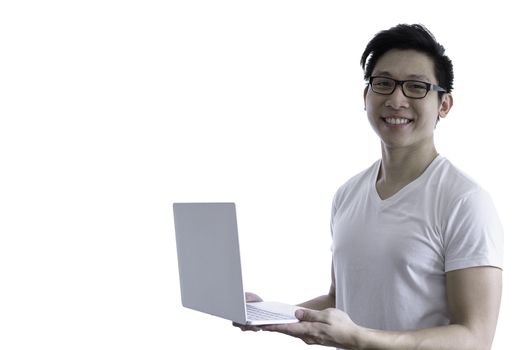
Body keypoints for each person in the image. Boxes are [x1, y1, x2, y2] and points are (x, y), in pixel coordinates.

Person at [236, 23, 504, 349]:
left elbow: (476, 338)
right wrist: (269, 314)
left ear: (444, 105)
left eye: (416, 87)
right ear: (366, 96)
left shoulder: (465, 202)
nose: (396, 99)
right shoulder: (347, 195)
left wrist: (361, 339)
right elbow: (341, 299)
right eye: (384, 83)